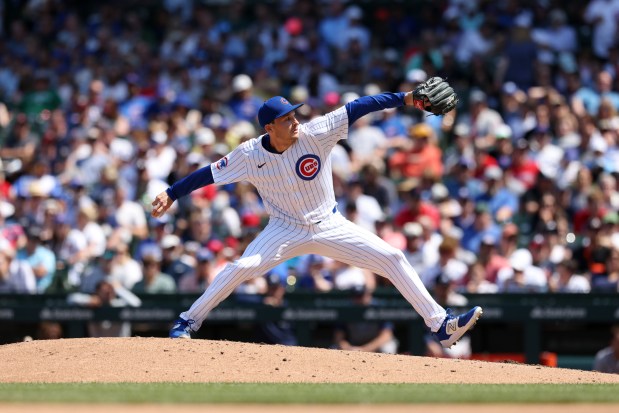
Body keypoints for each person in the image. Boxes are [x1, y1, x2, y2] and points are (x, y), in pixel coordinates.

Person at [152, 85, 482, 348]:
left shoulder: (315, 132)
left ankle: (441, 325)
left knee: (393, 257)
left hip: (329, 224)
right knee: (241, 267)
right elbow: (207, 174)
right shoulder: (248, 154)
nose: (295, 121)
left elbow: (359, 106)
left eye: (295, 116)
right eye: (287, 119)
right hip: (283, 229)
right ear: (270, 127)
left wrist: (406, 98)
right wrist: (171, 193)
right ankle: (188, 321)